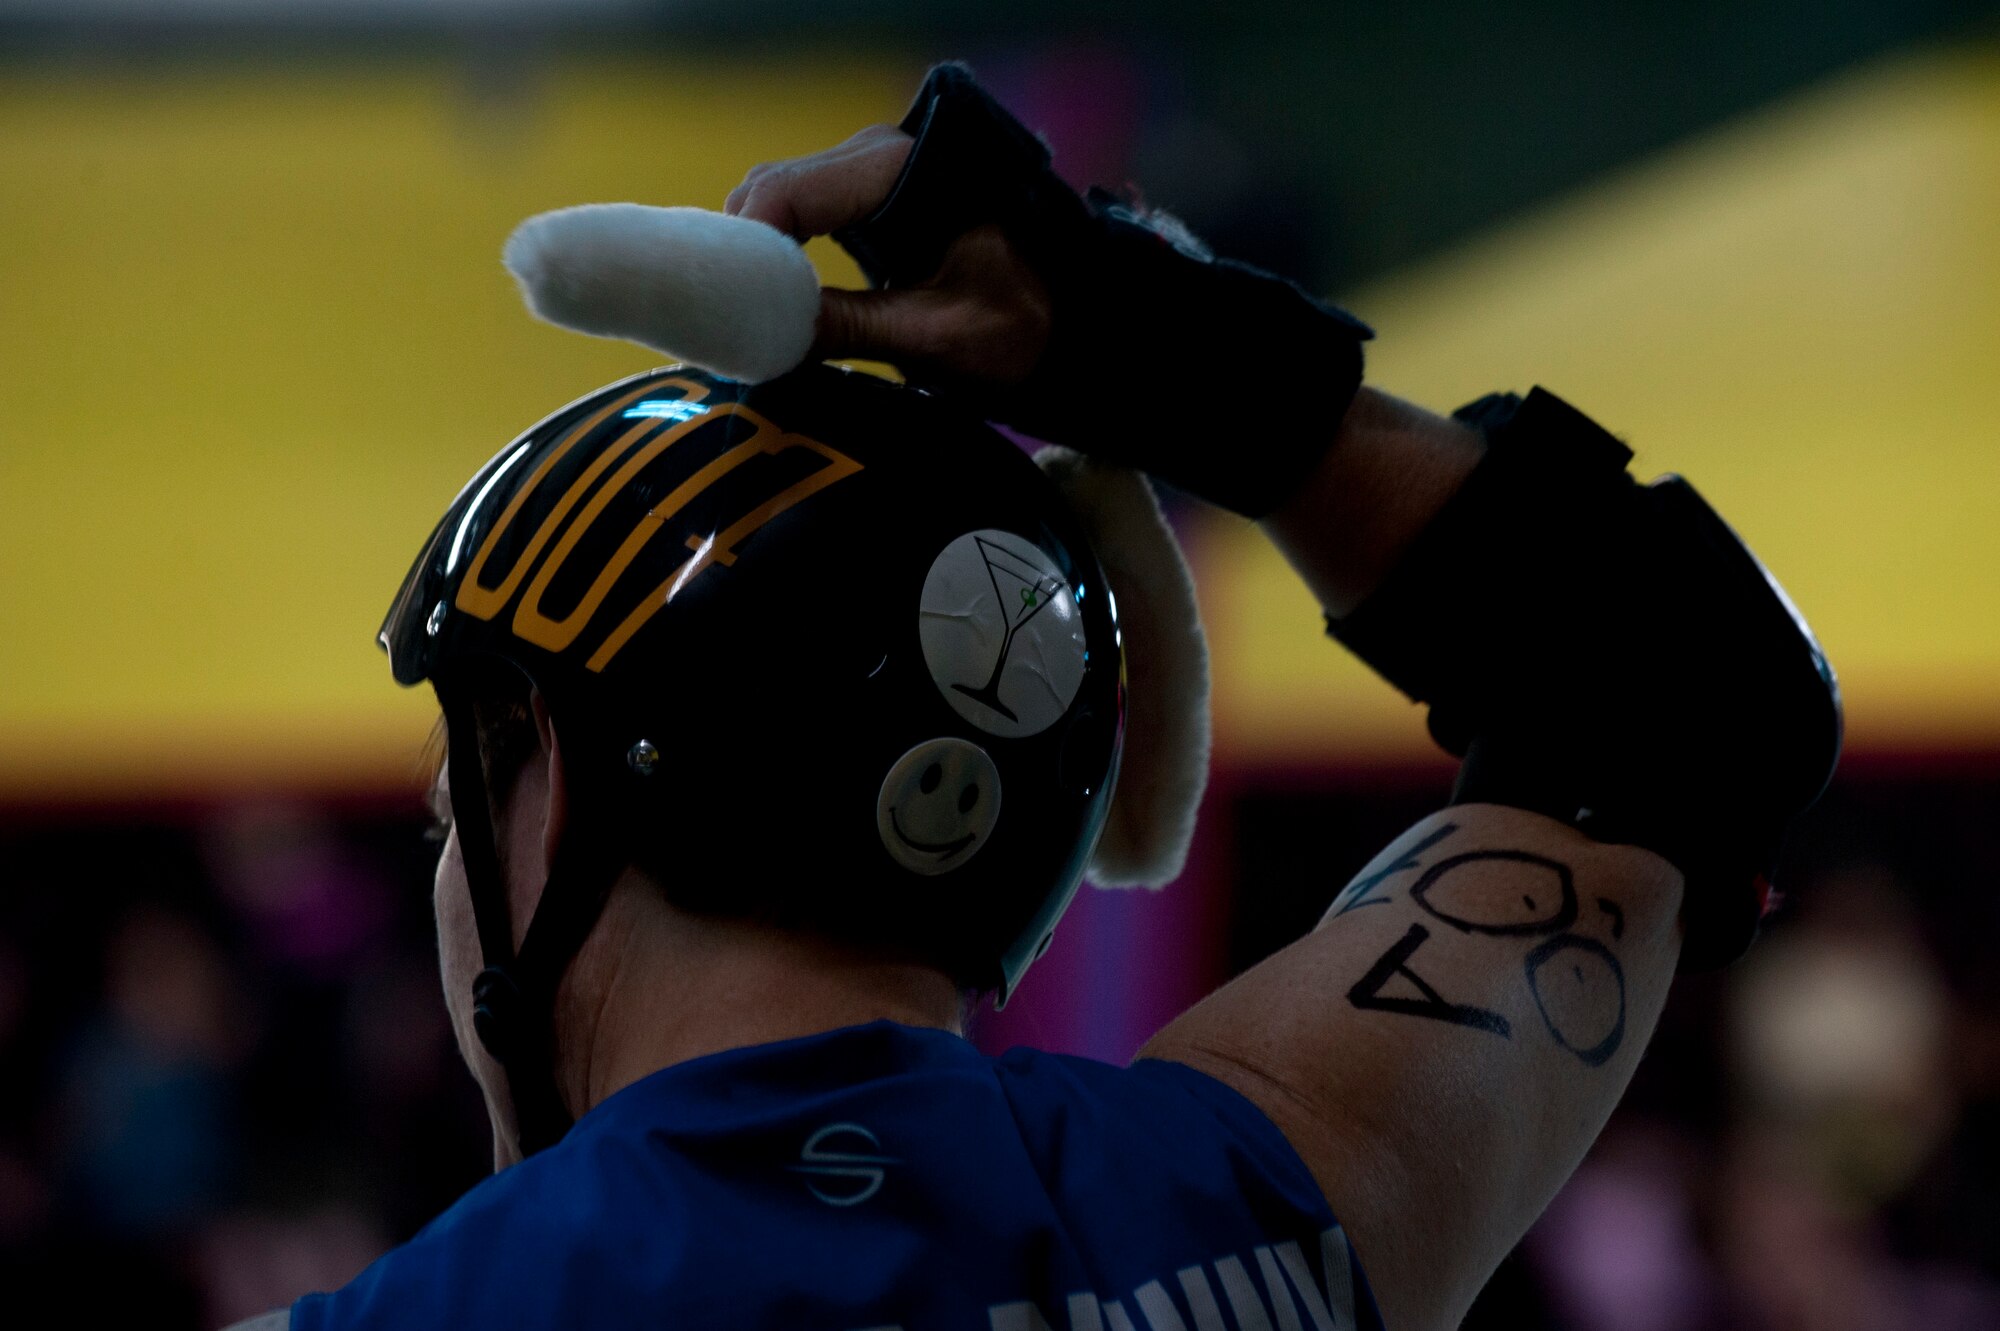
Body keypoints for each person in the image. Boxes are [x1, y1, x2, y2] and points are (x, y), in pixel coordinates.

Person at [255, 65, 1840, 1331]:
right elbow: (1689, 695)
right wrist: (1149, 351)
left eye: (445, 808)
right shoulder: (1266, 1213)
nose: (450, 877)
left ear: (556, 777)